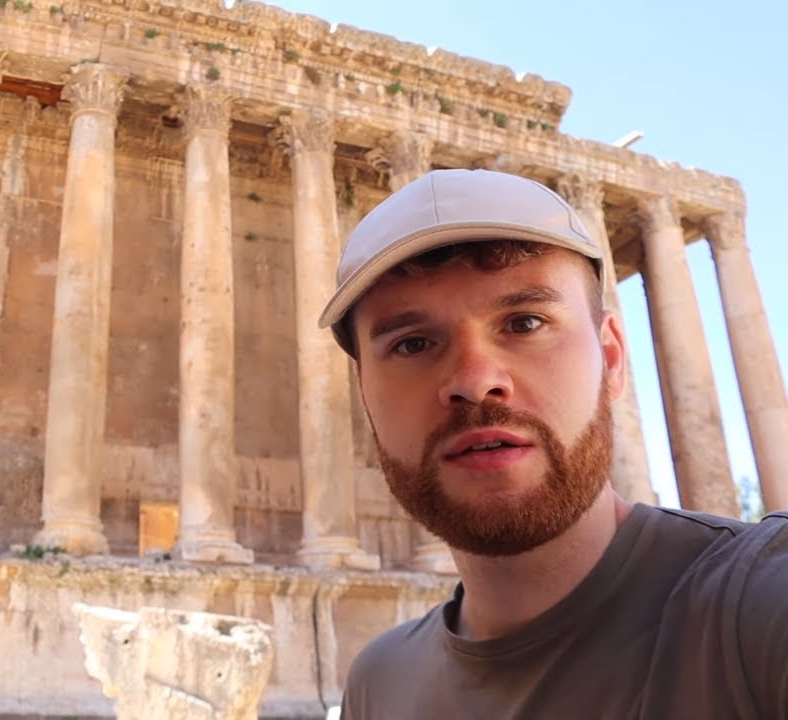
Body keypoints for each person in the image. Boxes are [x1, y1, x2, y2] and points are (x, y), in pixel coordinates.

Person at [318, 169, 787, 719]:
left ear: (610, 359)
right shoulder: (380, 684)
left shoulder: (760, 610)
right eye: (413, 343)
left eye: (524, 323)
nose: (475, 379)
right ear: (365, 398)